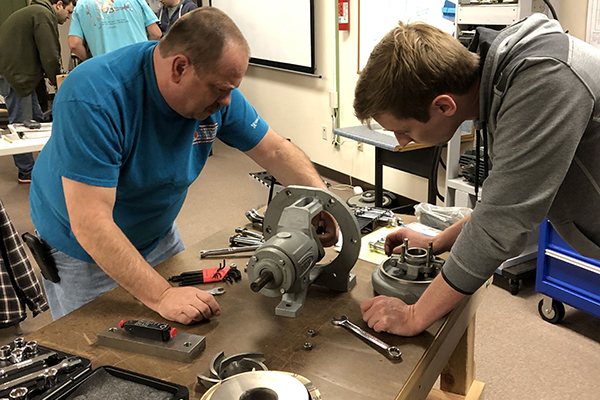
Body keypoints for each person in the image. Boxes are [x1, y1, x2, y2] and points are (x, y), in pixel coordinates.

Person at [30, 7, 337, 323]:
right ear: (179, 67)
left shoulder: (216, 95)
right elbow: (91, 224)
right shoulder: (94, 97)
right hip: (83, 251)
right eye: (220, 89)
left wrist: (322, 202)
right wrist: (161, 295)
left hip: (157, 233)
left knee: (185, 330)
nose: (227, 101)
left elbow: (274, 151)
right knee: (99, 354)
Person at [354, 14, 600, 336]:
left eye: (404, 129)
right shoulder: (506, 77)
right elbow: (506, 201)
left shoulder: (543, 78)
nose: (401, 141)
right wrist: (437, 242)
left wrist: (414, 315)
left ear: (444, 106)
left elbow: (501, 224)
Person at [0, 0, 75, 184]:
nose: (68, 17)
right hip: (16, 75)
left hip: (18, 72)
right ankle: (26, 171)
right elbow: (49, 53)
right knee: (21, 124)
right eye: (68, 11)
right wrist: (58, 79)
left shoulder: (35, 12)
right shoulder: (42, 15)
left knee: (36, 118)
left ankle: (43, 164)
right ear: (58, 4)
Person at [68, 0, 161, 61]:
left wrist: (92, 61)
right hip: (138, 63)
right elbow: (156, 33)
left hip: (106, 69)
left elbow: (74, 44)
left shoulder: (82, 5)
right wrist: (146, 56)